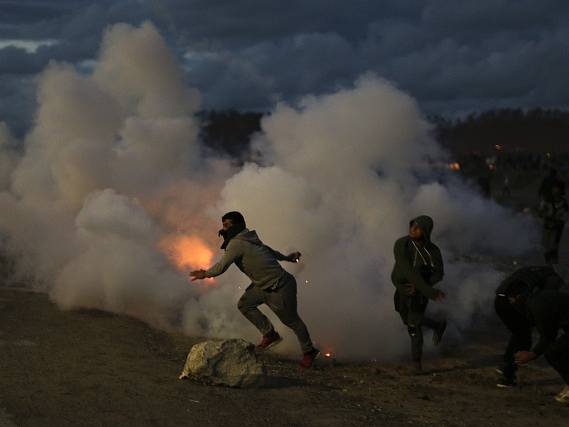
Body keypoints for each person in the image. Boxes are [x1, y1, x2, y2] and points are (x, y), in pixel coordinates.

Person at [190, 211, 319, 368]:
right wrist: (287, 258)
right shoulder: (248, 239)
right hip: (261, 286)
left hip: (280, 286)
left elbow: (221, 266)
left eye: (227, 226)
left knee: (291, 321)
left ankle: (309, 351)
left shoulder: (237, 243)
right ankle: (270, 334)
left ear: (237, 225)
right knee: (245, 305)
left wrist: (205, 274)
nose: (223, 230)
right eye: (223, 226)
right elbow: (270, 251)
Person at [391, 215, 447, 374]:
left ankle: (417, 364)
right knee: (405, 318)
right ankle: (437, 325)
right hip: (403, 289)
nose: (413, 229)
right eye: (412, 226)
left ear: (426, 231)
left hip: (419, 294)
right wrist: (429, 291)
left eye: (418, 227)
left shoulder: (433, 251)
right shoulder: (402, 244)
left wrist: (424, 287)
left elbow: (439, 273)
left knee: (413, 326)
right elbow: (406, 270)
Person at [494, 265, 564, 387]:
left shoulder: (530, 269)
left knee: (519, 333)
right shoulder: (553, 277)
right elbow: (547, 300)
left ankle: (506, 363)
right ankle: (507, 373)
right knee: (524, 337)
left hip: (499, 300)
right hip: (515, 301)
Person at [504, 284, 569, 405]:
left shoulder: (537, 305)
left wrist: (531, 355)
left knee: (553, 353)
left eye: (510, 299)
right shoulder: (537, 299)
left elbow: (548, 337)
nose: (511, 303)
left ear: (518, 296)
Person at [538, 184, 569, 264]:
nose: (555, 192)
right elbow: (541, 212)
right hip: (548, 226)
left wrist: (559, 220)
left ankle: (553, 264)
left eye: (557, 190)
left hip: (557, 227)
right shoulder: (548, 201)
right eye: (554, 190)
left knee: (553, 247)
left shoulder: (563, 203)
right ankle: (549, 263)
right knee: (546, 247)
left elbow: (565, 216)